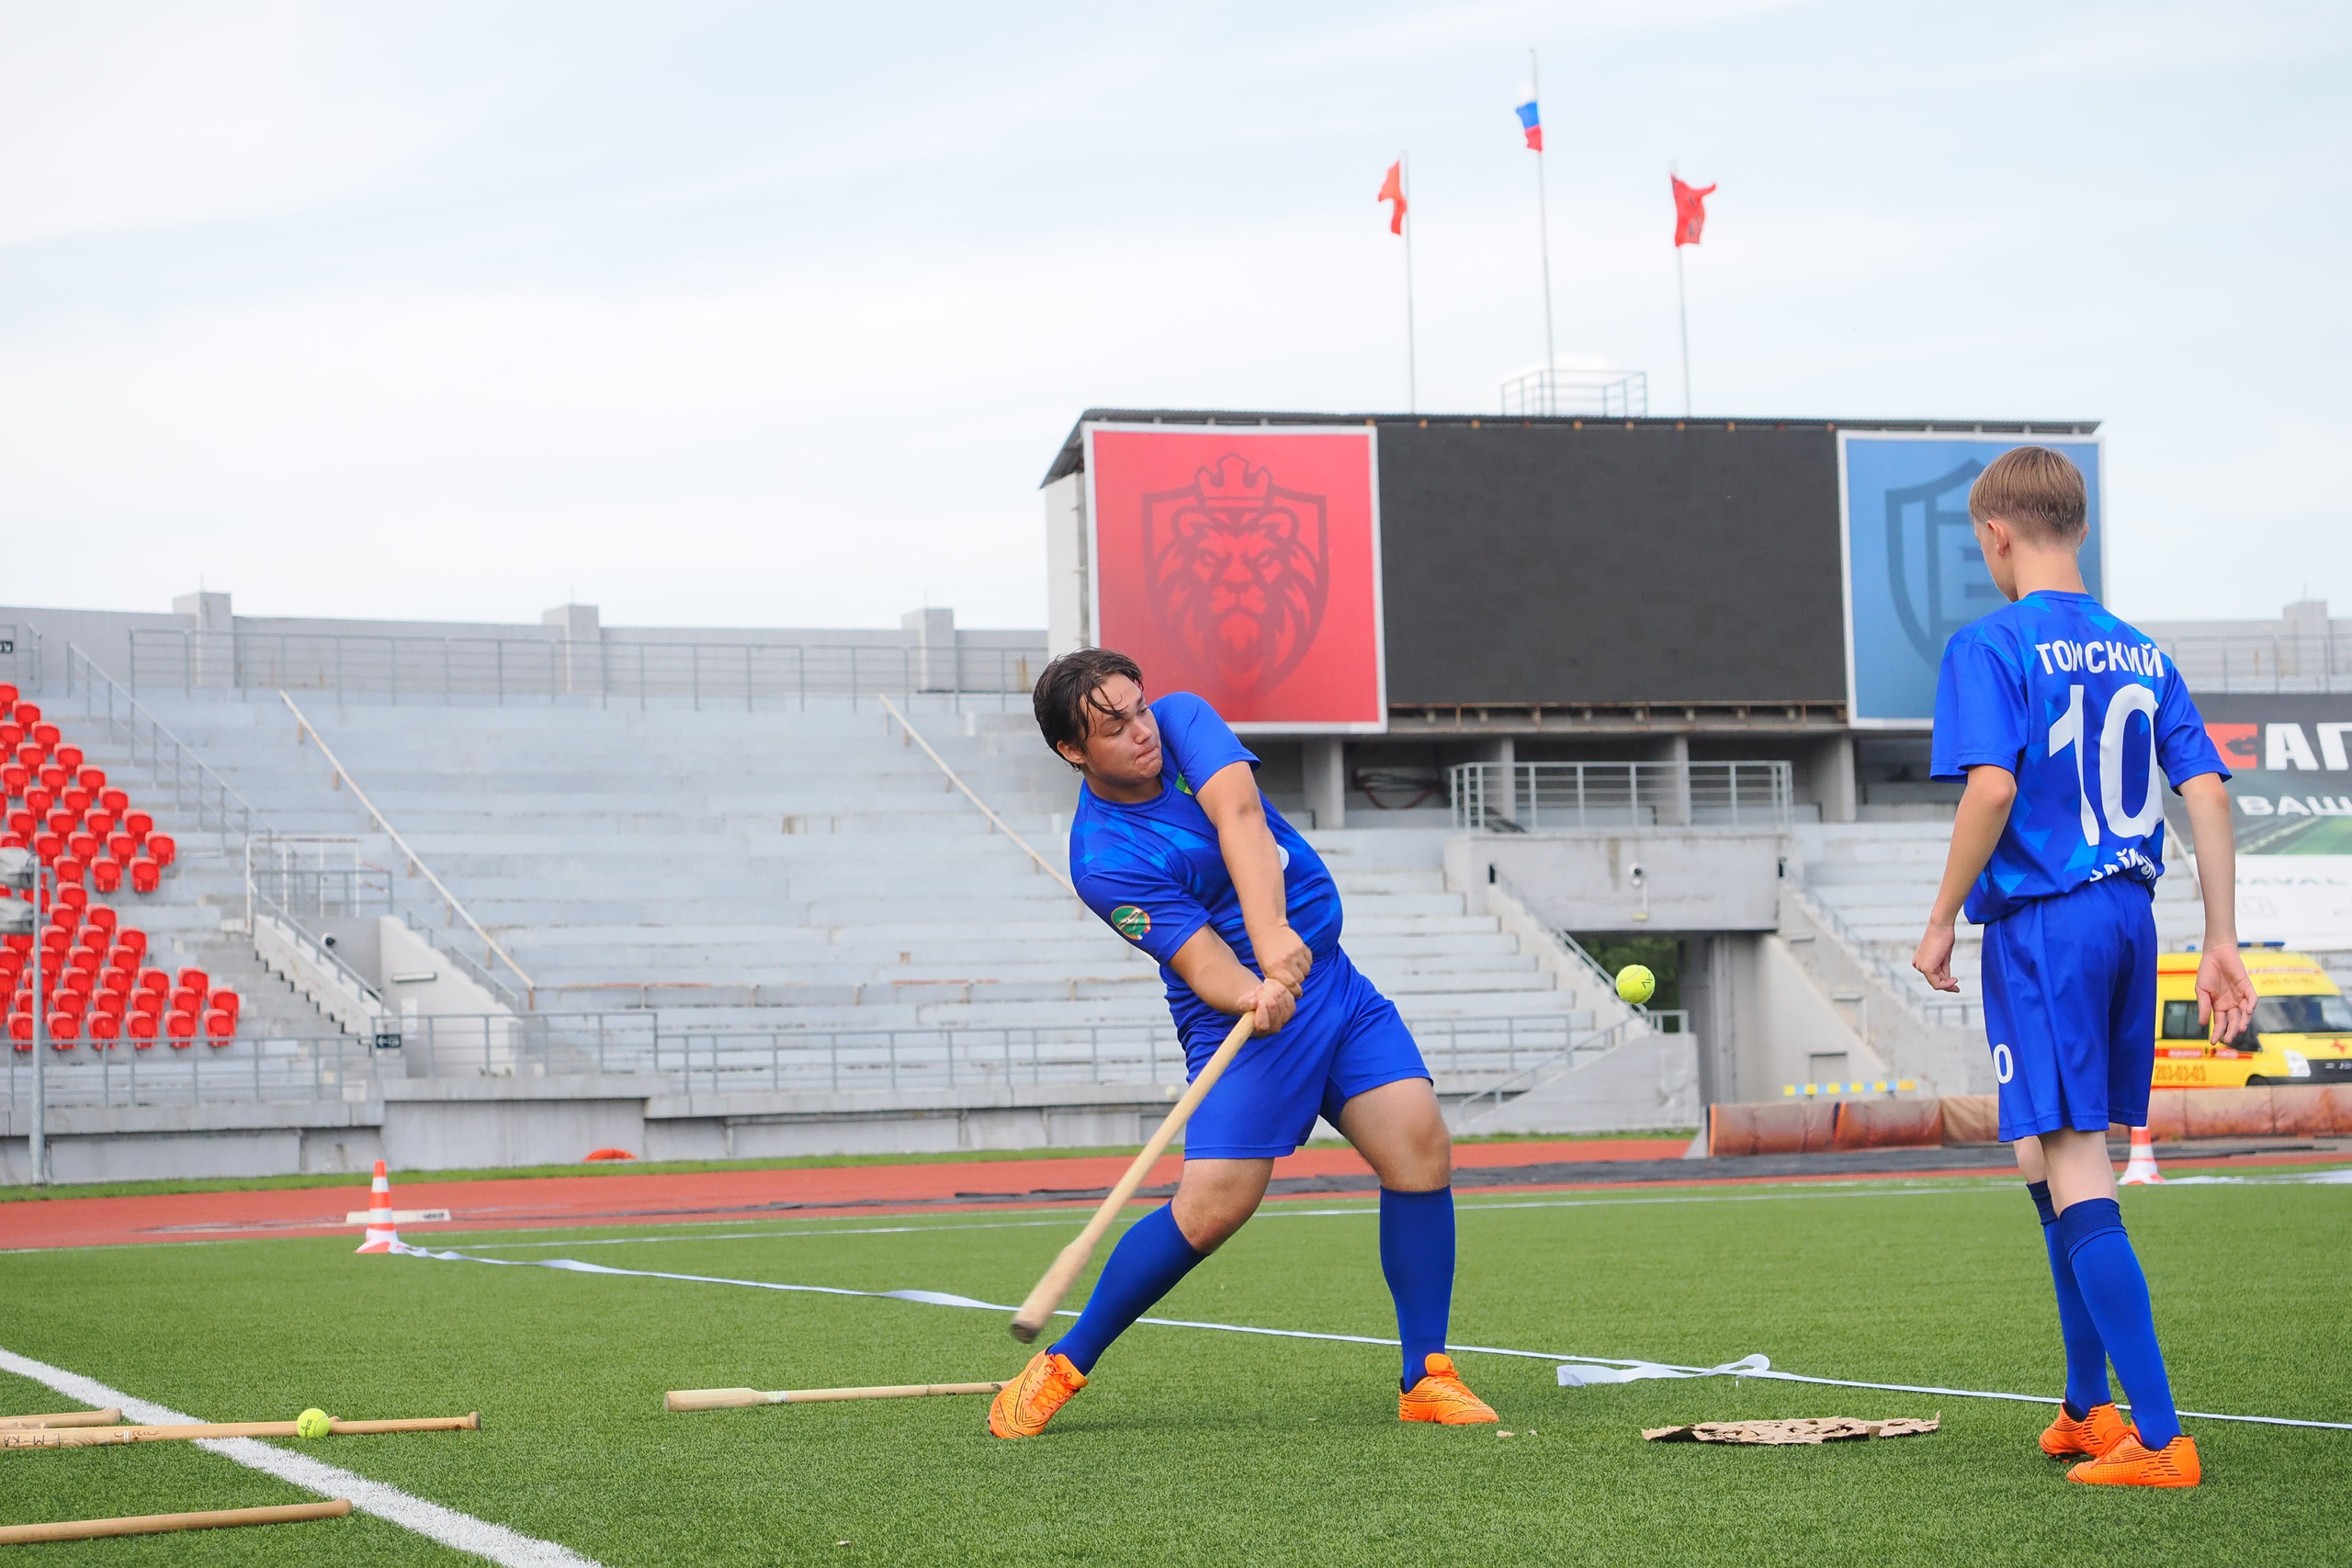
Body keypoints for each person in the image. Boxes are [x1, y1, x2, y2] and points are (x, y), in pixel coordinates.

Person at [988, 649, 1496, 1438]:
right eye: (1112, 725)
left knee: (1419, 1144)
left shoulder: (1187, 720)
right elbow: (1200, 962)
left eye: (1138, 707)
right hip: (1242, 1021)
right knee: (1215, 1206)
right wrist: (1253, 986)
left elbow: (1242, 818)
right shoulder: (1103, 859)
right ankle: (1064, 1361)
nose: (1140, 730)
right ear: (1072, 751)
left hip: (1331, 981)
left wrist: (1277, 937)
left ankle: (1425, 1373)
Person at [1911, 445, 2253, 1488]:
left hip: (2047, 924)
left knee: (2071, 1158)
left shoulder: (1988, 643)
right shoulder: (2140, 652)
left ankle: (2157, 1438)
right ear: (2079, 529)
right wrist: (2223, 938)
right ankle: (2083, 1407)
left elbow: (1991, 791)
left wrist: (1936, 922)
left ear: (1994, 537)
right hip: (2129, 917)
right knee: (2046, 1157)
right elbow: (2203, 793)